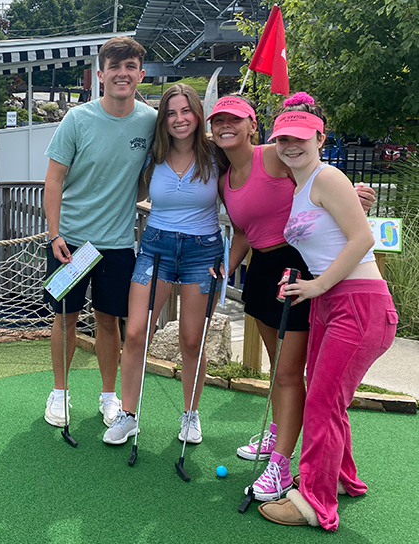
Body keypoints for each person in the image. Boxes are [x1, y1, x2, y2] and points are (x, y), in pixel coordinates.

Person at [208, 94, 375, 502]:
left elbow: (316, 176)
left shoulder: (275, 155)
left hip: (295, 266)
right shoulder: (224, 179)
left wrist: (352, 193)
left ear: (253, 126)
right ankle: (281, 433)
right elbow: (246, 231)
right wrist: (227, 267)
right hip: (261, 271)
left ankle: (281, 464)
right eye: (218, 121)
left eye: (235, 119)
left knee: (288, 373)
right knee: (277, 368)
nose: (225, 126)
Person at [258, 93, 397, 531]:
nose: (290, 145)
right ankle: (339, 477)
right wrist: (306, 283)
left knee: (321, 401)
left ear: (320, 137)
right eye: (282, 138)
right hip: (331, 303)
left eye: (300, 137)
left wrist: (318, 284)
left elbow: (361, 240)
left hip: (358, 303)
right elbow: (324, 245)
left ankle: (314, 503)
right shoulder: (302, 187)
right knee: (327, 398)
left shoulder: (328, 176)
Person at [43, 36, 157, 429]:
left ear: (140, 75)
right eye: (114, 67)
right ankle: (59, 392)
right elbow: (54, 180)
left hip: (119, 243)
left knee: (109, 321)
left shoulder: (150, 120)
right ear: (100, 74)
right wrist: (55, 234)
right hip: (72, 243)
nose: (122, 74)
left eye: (130, 67)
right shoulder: (77, 119)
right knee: (65, 316)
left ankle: (109, 397)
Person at [102, 83, 225, 445]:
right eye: (171, 113)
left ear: (198, 113)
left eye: (186, 111)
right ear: (163, 120)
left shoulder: (217, 157)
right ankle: (128, 414)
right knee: (137, 330)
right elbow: (123, 186)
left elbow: (254, 182)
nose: (179, 119)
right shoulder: (153, 156)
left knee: (191, 339)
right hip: (156, 247)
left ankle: (190, 414)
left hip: (203, 253)